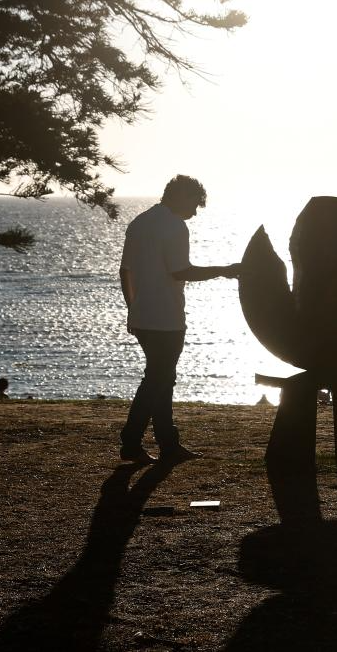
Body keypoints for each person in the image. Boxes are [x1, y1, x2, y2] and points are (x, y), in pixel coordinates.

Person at [119, 175, 243, 464]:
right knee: (157, 380)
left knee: (162, 378)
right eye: (194, 204)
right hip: (166, 318)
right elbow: (181, 271)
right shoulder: (175, 226)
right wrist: (224, 270)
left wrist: (132, 308)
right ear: (181, 196)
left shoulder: (139, 222)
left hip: (143, 316)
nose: (195, 212)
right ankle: (131, 442)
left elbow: (125, 271)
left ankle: (168, 443)